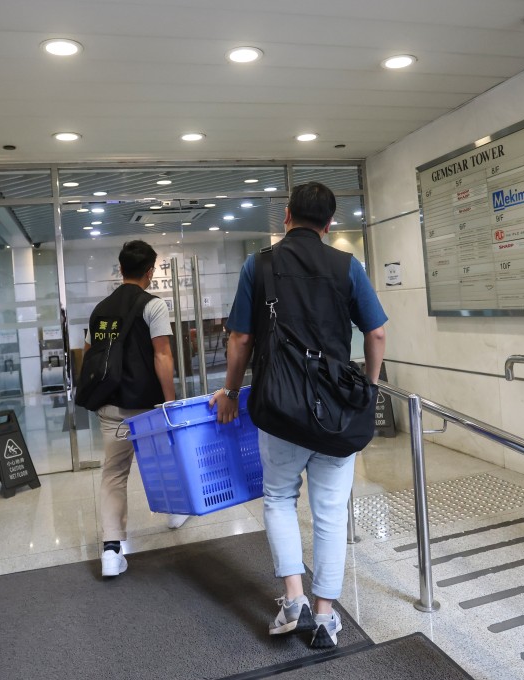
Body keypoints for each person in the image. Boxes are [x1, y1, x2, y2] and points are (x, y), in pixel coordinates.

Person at [209, 182, 387, 648]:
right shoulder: (347, 266)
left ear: (286, 216)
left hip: (279, 405)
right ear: (330, 224)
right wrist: (367, 385)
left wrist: (231, 391)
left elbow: (241, 339)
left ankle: (294, 602)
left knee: (279, 498)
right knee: (330, 513)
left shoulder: (260, 264)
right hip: (334, 409)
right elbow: (378, 333)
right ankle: (325, 616)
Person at [84, 240, 186, 579]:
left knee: (114, 473)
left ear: (121, 268)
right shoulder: (153, 306)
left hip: (111, 403)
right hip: (147, 405)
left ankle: (111, 551)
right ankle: (174, 514)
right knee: (162, 462)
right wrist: (170, 401)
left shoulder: (100, 309)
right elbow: (163, 355)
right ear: (150, 271)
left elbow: (90, 353)